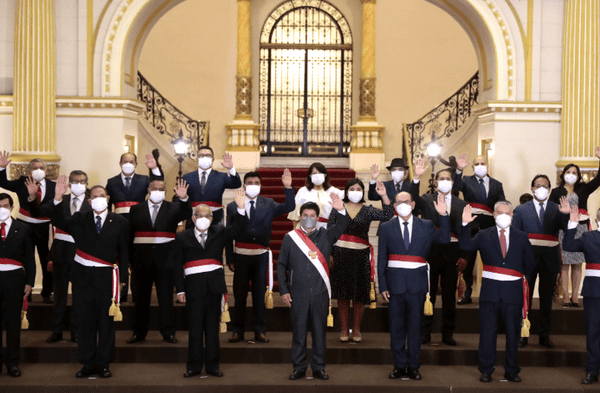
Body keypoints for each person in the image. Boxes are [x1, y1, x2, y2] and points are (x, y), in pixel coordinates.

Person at [51, 176, 129, 379]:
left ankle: (103, 364)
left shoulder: (120, 222)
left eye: (101, 196)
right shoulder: (79, 219)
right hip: (83, 279)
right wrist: (58, 198)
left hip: (107, 279)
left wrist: (123, 282)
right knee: (84, 323)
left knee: (106, 323)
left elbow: (124, 253)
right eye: (94, 196)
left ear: (108, 198)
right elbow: (58, 221)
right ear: (89, 201)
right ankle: (87, 363)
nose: (98, 199)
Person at [459, 201, 535, 383]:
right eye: (499, 213)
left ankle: (511, 370)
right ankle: (486, 370)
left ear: (512, 216)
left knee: (512, 334)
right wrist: (464, 225)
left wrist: (514, 276)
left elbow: (530, 264)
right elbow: (465, 246)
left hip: (513, 292)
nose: (503, 216)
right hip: (490, 293)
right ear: (493, 215)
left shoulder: (522, 237)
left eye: (507, 213)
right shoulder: (483, 235)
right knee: (487, 333)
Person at [174, 189, 246, 378]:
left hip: (214, 287)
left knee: (213, 329)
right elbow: (176, 265)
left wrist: (240, 209)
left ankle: (213, 365)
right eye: (200, 215)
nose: (204, 218)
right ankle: (194, 365)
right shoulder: (182, 237)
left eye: (207, 216)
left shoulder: (220, 233)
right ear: (193, 217)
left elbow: (238, 229)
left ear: (212, 219)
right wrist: (179, 289)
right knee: (195, 328)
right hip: (193, 288)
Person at [378, 191, 450, 381]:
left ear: (412, 204)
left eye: (406, 201)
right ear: (394, 205)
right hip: (394, 285)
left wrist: (443, 215)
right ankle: (399, 366)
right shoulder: (385, 227)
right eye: (398, 201)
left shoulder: (426, 225)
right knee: (397, 328)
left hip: (417, 285)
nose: (402, 204)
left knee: (415, 328)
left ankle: (414, 366)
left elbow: (444, 239)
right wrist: (382, 285)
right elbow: (381, 259)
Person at [277, 195, 350, 381]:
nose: (309, 217)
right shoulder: (290, 238)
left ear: (318, 218)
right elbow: (281, 265)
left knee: (319, 333)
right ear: (300, 217)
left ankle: (318, 367)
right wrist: (284, 290)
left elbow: (343, 225)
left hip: (320, 293)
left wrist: (341, 209)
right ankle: (299, 367)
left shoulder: (326, 235)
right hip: (297, 294)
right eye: (305, 214)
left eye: (312, 215)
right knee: (299, 333)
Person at [226, 169, 295, 344]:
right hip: (240, 255)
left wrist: (288, 187)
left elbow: (289, 207)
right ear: (244, 185)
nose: (253, 186)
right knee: (240, 295)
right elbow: (228, 234)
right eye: (250, 183)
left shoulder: (269, 203)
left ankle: (260, 330)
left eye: (257, 183)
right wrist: (230, 258)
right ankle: (237, 331)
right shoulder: (233, 205)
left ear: (261, 186)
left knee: (259, 294)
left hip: (260, 256)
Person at [27, 170, 91, 344]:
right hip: (61, 253)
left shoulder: (92, 203)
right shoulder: (59, 199)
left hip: (82, 255)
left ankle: (76, 331)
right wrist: (33, 196)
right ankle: (56, 330)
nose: (78, 184)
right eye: (75, 181)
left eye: (82, 181)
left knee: (79, 296)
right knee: (59, 295)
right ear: (69, 183)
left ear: (87, 184)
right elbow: (37, 213)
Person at [126, 179, 191, 345]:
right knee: (140, 299)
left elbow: (186, 215)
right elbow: (129, 235)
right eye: (154, 188)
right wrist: (128, 259)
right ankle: (139, 333)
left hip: (166, 260)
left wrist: (183, 199)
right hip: (141, 261)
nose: (157, 191)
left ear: (166, 191)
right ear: (148, 189)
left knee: (165, 299)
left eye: (161, 189)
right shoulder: (136, 209)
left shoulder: (174, 207)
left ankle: (168, 332)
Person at [410, 160, 468, 346]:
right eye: (440, 179)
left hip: (453, 252)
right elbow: (412, 198)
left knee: (450, 296)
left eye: (447, 179)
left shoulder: (461, 204)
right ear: (435, 182)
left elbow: (467, 231)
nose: (444, 181)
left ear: (453, 182)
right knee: (428, 294)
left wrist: (465, 255)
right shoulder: (427, 200)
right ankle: (424, 332)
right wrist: (416, 178)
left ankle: (447, 334)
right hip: (431, 252)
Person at [328, 178, 393, 343]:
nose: (355, 191)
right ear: (346, 191)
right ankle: (344, 328)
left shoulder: (367, 210)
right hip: (340, 253)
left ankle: (356, 328)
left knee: (359, 294)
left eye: (358, 189)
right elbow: (329, 232)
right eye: (352, 188)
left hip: (360, 255)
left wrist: (384, 196)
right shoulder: (338, 208)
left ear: (362, 192)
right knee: (343, 294)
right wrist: (329, 253)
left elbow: (388, 214)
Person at [512, 175, 570, 349]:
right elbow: (515, 236)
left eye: (545, 186)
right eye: (538, 185)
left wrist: (567, 215)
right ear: (532, 188)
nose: (541, 188)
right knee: (524, 299)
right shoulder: (521, 210)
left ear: (550, 189)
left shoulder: (558, 208)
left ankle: (544, 335)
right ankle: (523, 335)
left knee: (546, 300)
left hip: (550, 259)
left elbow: (567, 230)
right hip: (527, 260)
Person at [105, 152, 163, 303]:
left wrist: (155, 169)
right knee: (120, 257)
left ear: (136, 164)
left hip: (138, 223)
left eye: (131, 161)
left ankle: (138, 294)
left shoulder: (144, 180)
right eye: (125, 161)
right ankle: (121, 293)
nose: (128, 163)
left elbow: (158, 186)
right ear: (120, 163)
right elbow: (107, 204)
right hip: (118, 223)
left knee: (137, 258)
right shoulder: (111, 182)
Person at [0, 151, 55, 303]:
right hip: (24, 226)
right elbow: (3, 183)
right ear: (30, 171)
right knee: (25, 258)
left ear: (46, 170)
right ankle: (26, 292)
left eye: (41, 167)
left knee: (46, 260)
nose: (38, 170)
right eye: (35, 167)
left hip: (44, 227)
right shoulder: (22, 182)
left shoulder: (53, 186)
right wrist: (2, 168)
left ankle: (47, 291)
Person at [452, 153, 506, 305]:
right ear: (472, 167)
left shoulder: (497, 184)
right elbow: (455, 186)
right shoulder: (466, 180)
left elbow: (502, 202)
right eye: (477, 164)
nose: (480, 166)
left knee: (491, 259)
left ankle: (491, 293)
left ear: (487, 165)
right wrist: (459, 170)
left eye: (483, 163)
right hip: (471, 224)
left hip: (489, 226)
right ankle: (467, 293)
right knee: (468, 261)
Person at [549, 147, 600, 307]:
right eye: (568, 172)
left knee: (578, 264)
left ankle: (575, 296)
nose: (571, 175)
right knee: (564, 264)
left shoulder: (583, 188)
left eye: (574, 172)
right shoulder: (556, 191)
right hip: (565, 229)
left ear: (578, 176)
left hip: (582, 228)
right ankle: (565, 295)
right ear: (563, 174)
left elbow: (599, 180)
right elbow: (550, 211)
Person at [562, 207, 600, 385]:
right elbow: (568, 246)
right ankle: (592, 370)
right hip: (594, 291)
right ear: (598, 220)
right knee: (593, 332)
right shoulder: (588, 237)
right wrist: (573, 224)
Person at [0, 192, 35, 377]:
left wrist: (30, 281)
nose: (1, 210)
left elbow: (29, 257)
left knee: (13, 322)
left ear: (11, 207)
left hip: (15, 279)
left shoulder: (22, 228)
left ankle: (12, 363)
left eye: (4, 206)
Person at [182, 146, 242, 227]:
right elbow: (180, 200)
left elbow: (236, 184)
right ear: (197, 159)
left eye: (208, 156)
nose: (205, 158)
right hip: (194, 220)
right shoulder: (187, 177)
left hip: (215, 220)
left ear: (213, 159)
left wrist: (231, 169)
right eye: (201, 156)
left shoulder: (221, 176)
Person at [287, 162, 344, 229]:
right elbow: (295, 216)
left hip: (326, 229)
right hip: (306, 229)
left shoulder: (333, 191)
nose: (317, 175)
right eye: (314, 173)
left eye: (320, 173)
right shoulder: (303, 191)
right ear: (310, 176)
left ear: (325, 175)